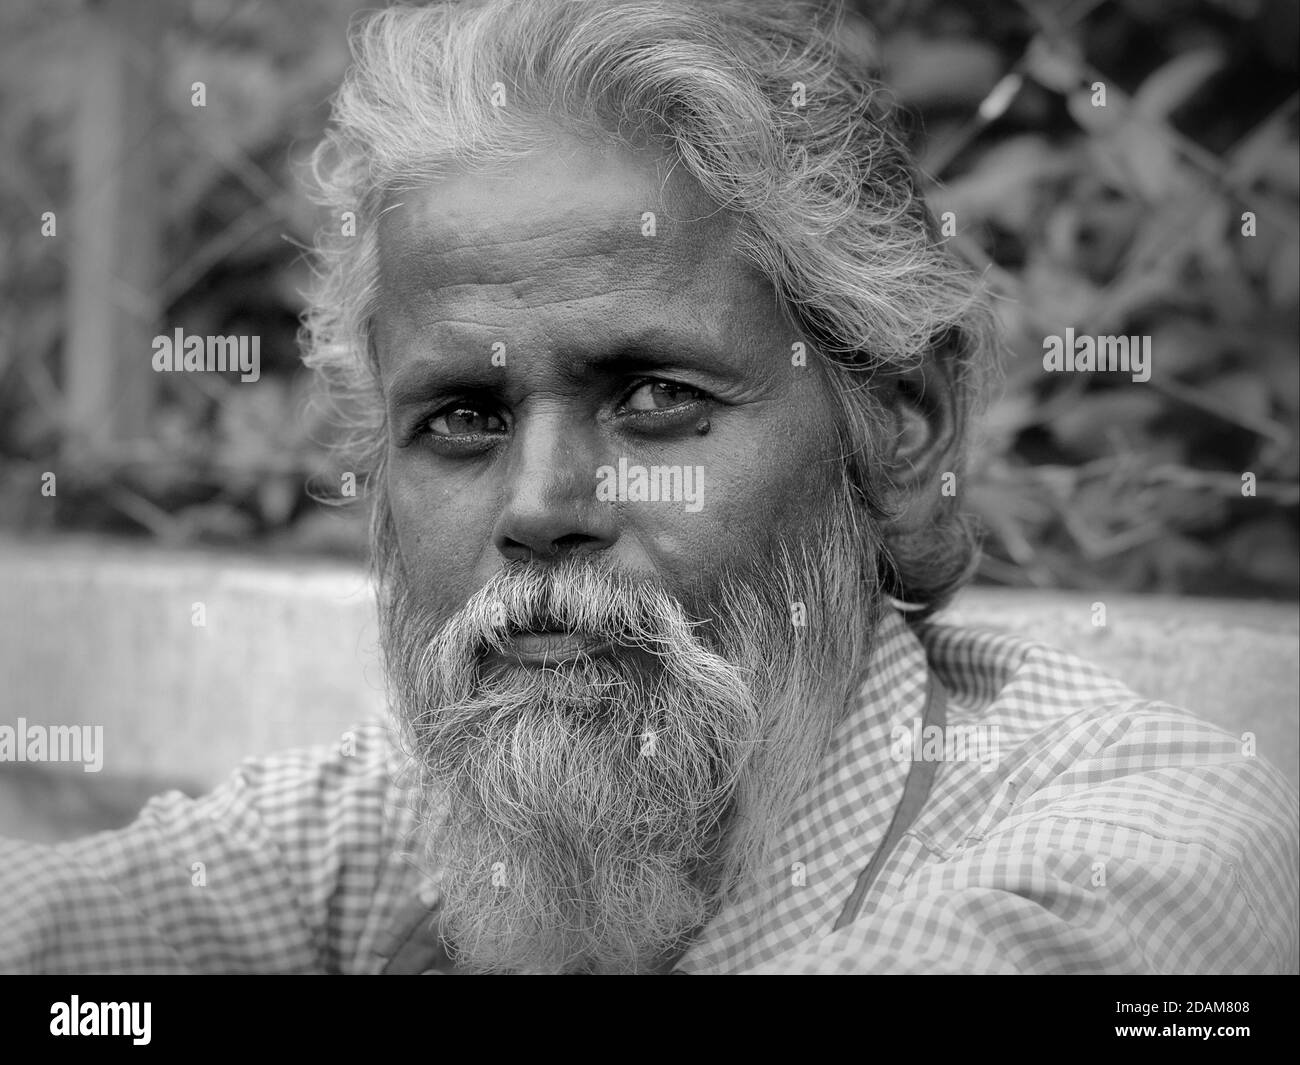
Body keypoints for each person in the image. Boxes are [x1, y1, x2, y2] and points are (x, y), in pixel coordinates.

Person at [2, 0, 1295, 975]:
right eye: (463, 417)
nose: (542, 504)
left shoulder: (1140, 844)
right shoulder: (416, 819)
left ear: (901, 425)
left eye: (656, 397)